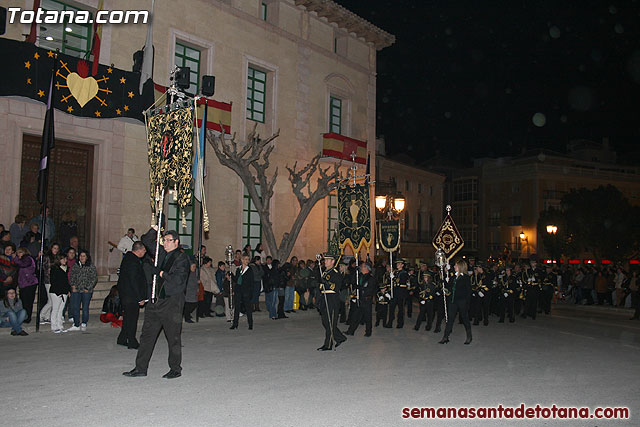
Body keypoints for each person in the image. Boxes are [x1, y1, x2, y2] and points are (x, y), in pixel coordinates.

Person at [124, 229, 189, 379]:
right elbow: (146, 240)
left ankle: (175, 368)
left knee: (173, 337)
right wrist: (155, 226)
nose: (165, 243)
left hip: (171, 303)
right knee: (147, 335)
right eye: (164, 240)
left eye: (168, 240)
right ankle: (140, 368)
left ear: (176, 242)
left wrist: (159, 273)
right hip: (155, 301)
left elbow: (178, 281)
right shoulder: (162, 254)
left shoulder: (181, 258)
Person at [116, 241, 147, 348]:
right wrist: (140, 298)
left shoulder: (128, 259)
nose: (145, 252)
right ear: (139, 250)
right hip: (131, 295)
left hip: (126, 293)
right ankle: (132, 341)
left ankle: (122, 338)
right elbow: (134, 281)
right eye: (144, 250)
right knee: (132, 318)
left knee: (128, 317)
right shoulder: (133, 262)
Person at [317, 253, 347, 351]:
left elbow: (336, 287)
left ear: (333, 261)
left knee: (330, 322)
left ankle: (328, 344)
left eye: (327, 260)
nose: (325, 261)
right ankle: (340, 337)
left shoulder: (335, 273)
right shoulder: (325, 272)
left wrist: (327, 283)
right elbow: (321, 287)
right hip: (324, 297)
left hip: (332, 298)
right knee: (325, 321)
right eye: (325, 260)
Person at [439, 259, 472, 345]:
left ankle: (469, 336)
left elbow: (468, 291)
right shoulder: (453, 277)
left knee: (465, 318)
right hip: (453, 301)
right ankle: (445, 336)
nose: (454, 267)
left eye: (456, 266)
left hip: (462, 301)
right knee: (450, 319)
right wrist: (444, 279)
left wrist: (468, 303)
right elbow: (448, 287)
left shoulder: (466, 278)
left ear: (460, 267)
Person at [68, 250, 97, 331]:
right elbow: (72, 276)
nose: (82, 258)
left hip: (86, 291)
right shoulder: (76, 265)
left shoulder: (91, 266)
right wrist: (73, 285)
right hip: (77, 290)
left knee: (85, 307)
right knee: (75, 307)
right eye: (81, 256)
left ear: (87, 257)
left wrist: (88, 287)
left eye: (84, 256)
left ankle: (84, 322)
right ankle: (76, 324)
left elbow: (94, 278)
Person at [345, 262, 375, 337]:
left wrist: (360, 288)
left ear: (367, 268)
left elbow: (370, 289)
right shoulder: (359, 276)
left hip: (366, 299)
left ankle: (368, 332)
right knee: (355, 316)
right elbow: (353, 282)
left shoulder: (371, 278)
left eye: (363, 267)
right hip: (360, 298)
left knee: (367, 316)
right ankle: (351, 331)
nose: (361, 268)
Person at [13, 247, 38, 323]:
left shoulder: (27, 258)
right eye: (17, 253)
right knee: (23, 302)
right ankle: (24, 316)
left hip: (30, 283)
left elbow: (23, 264)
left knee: (28, 302)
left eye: (20, 252)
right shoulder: (20, 260)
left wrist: (15, 258)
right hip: (23, 284)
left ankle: (27, 317)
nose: (18, 254)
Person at [230, 254, 254, 330]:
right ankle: (235, 324)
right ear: (242, 260)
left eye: (248, 259)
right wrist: (231, 276)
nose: (247, 261)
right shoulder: (238, 269)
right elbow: (237, 280)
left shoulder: (250, 270)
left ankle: (250, 324)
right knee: (237, 308)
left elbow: (251, 282)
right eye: (246, 259)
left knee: (248, 308)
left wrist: (250, 293)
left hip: (246, 291)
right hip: (238, 291)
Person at [39, 242, 61, 324]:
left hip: (55, 281)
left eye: (57, 248)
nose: (56, 250)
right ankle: (41, 315)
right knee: (51, 301)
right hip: (49, 281)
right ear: (51, 248)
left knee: (52, 300)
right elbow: (47, 270)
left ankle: (47, 316)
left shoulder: (58, 257)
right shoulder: (48, 257)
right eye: (54, 248)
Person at [49, 254, 70, 333]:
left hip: (64, 291)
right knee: (55, 309)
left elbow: (65, 281)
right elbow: (54, 282)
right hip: (56, 292)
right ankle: (54, 326)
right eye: (62, 259)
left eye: (65, 259)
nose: (65, 260)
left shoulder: (65, 268)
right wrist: (59, 292)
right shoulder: (55, 269)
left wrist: (68, 290)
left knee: (61, 310)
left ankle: (60, 325)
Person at [385, 259, 409, 328]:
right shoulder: (395, 272)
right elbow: (391, 283)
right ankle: (390, 322)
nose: (398, 265)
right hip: (394, 292)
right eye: (397, 263)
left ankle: (400, 323)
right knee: (391, 308)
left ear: (402, 265)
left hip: (401, 293)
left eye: (399, 263)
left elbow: (401, 282)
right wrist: (390, 276)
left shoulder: (404, 273)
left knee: (400, 309)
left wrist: (394, 278)